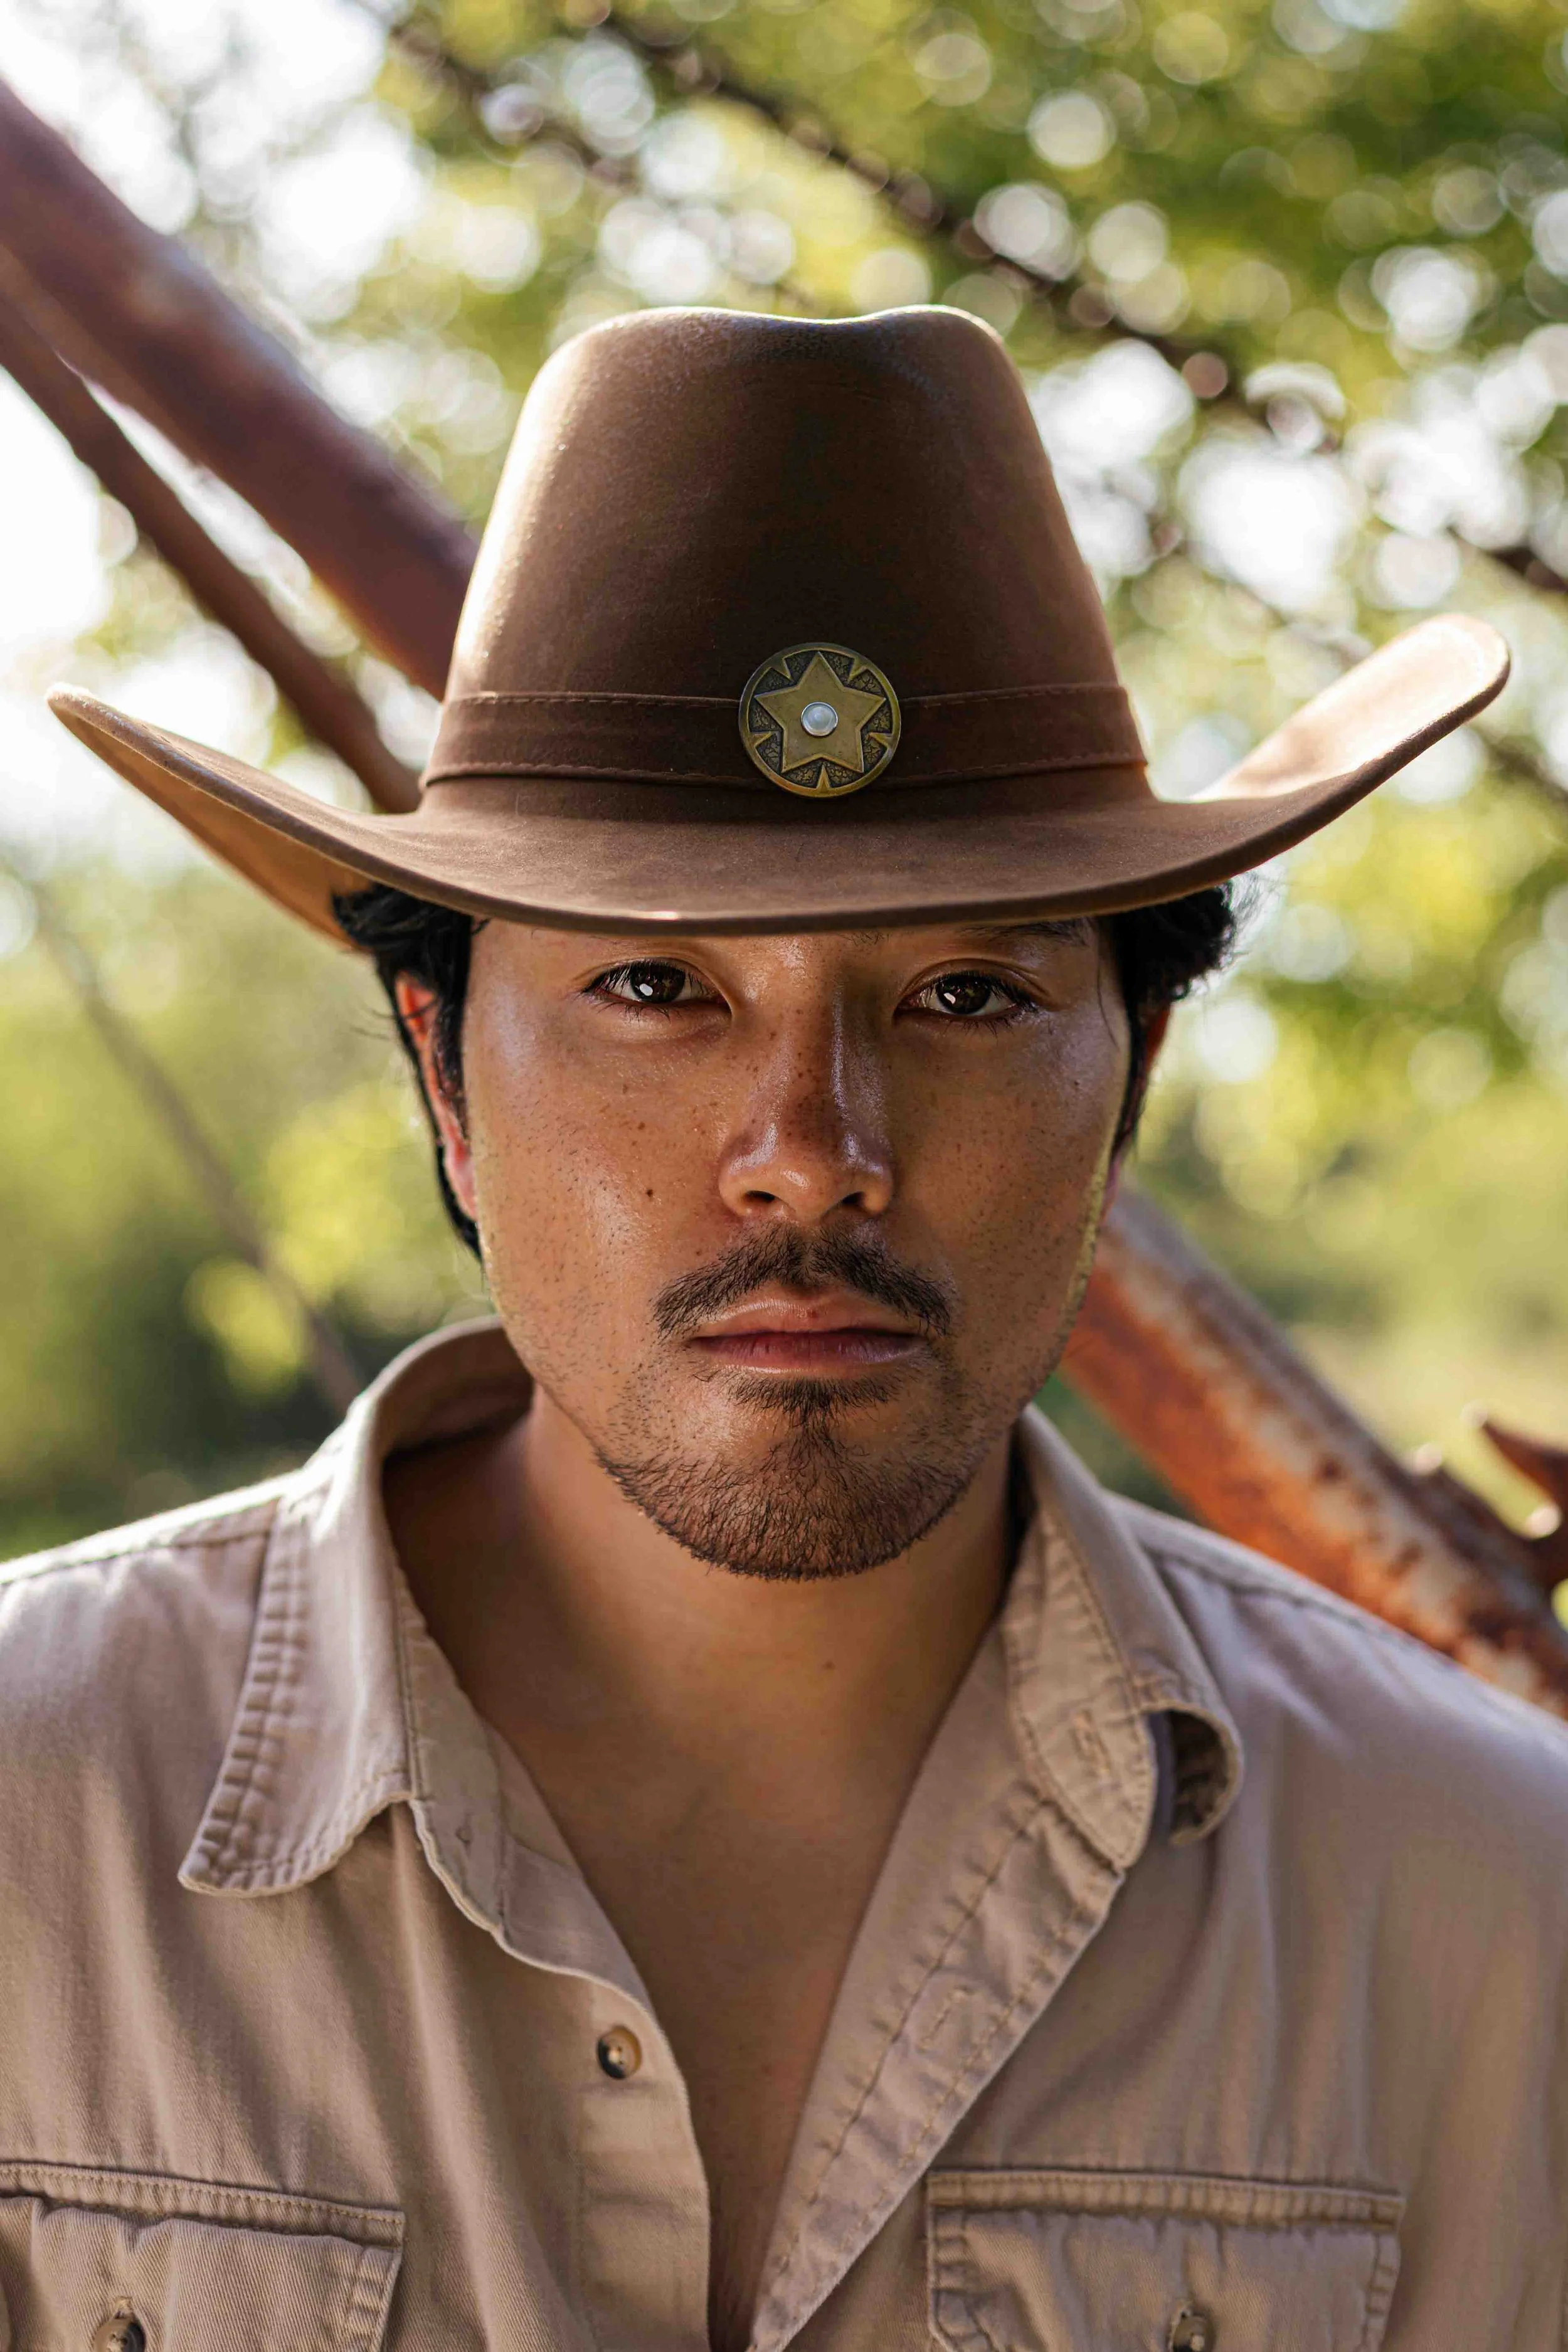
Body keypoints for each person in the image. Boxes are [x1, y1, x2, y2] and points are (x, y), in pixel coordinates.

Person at [6, 306, 1559, 2352]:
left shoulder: (1475, 1899)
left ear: (1136, 1073)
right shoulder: (34, 1816)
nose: (809, 1156)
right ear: (445, 1071)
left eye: (966, 998)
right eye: (658, 988)